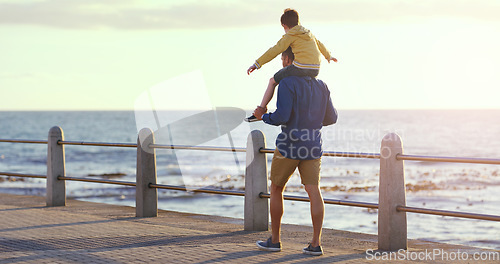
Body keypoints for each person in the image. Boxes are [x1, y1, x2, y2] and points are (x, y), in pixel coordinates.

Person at [253, 49, 338, 256]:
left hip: (289, 144)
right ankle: (316, 244)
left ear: (289, 60)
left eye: (283, 58)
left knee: (276, 189)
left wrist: (262, 116)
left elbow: (282, 116)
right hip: (313, 144)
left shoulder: (287, 83)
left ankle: (275, 240)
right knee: (314, 190)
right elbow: (332, 118)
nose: (282, 62)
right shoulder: (322, 85)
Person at [245, 8, 337, 122]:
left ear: (284, 26)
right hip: (315, 69)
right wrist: (329, 56)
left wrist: (257, 64)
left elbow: (275, 50)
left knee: (272, 81)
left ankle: (260, 111)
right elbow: (319, 44)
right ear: (297, 21)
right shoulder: (308, 33)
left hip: (301, 67)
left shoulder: (290, 35)